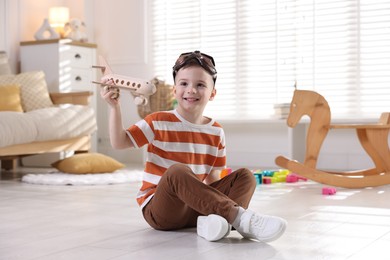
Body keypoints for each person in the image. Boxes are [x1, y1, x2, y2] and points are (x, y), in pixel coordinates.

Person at [100, 50, 287, 242]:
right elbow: (119, 142)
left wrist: (214, 202)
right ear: (174, 90)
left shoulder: (216, 131)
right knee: (177, 172)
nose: (191, 90)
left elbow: (213, 180)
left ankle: (215, 223)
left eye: (200, 85)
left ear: (212, 93)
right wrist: (114, 107)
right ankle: (240, 219)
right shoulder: (158, 120)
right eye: (184, 84)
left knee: (245, 176)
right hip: (161, 209)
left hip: (195, 208)